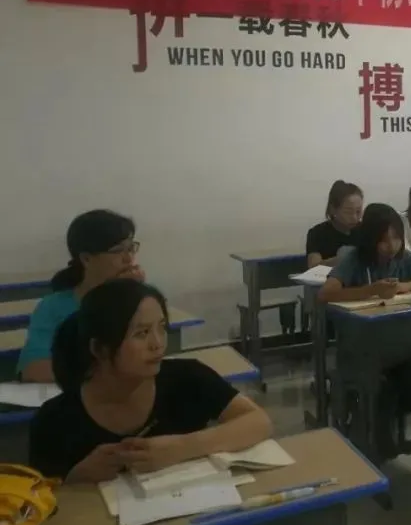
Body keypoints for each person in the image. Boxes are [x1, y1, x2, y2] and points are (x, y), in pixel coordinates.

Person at [28, 279, 272, 482]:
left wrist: (181, 447)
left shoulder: (187, 378)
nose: (158, 343)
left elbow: (259, 421)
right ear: (100, 349)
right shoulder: (54, 421)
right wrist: (77, 477)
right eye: (141, 333)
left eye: (162, 328)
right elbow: (37, 499)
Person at [18, 210, 144, 383]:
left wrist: (133, 295)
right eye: (117, 251)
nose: (129, 259)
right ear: (86, 259)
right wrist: (102, 376)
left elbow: (148, 356)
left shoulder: (140, 298)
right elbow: (34, 368)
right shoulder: (53, 307)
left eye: (131, 248)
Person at [318, 203, 411, 303]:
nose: (392, 246)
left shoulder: (404, 257)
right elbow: (325, 294)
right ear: (370, 239)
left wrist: (407, 286)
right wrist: (370, 290)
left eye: (396, 238)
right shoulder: (354, 258)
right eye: (383, 240)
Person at [306, 180, 364, 268]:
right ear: (333, 209)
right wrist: (344, 259)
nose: (355, 217)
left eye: (358, 211)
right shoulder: (317, 233)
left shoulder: (366, 229)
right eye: (348, 212)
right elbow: (313, 267)